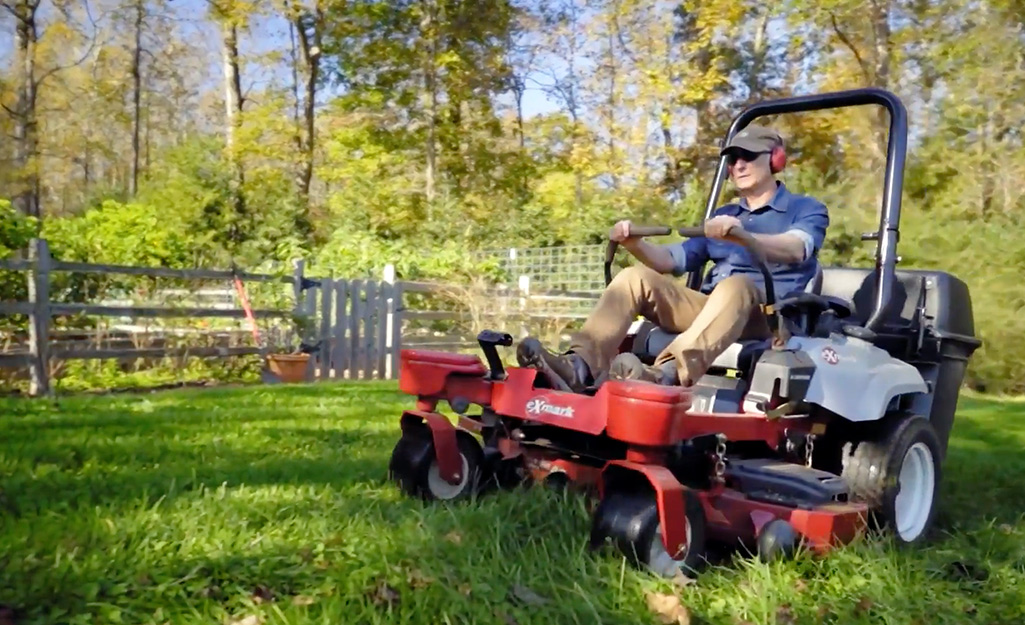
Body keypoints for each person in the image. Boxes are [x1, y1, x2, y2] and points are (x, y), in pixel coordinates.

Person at [516, 124, 830, 392]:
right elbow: (670, 260)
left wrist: (743, 236)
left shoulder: (805, 209)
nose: (738, 166)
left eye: (748, 157)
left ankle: (665, 374)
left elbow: (796, 247)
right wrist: (634, 243)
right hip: (714, 310)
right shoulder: (723, 215)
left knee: (737, 285)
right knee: (634, 276)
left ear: (776, 159)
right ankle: (579, 367)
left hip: (768, 317)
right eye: (733, 160)